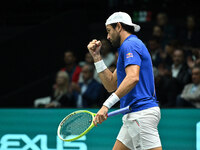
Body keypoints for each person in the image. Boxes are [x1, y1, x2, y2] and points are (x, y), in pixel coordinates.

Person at [87, 12, 162, 150]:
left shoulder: (130, 44)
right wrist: (97, 57)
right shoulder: (126, 49)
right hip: (132, 114)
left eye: (109, 31)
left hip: (140, 114)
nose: (108, 37)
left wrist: (106, 105)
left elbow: (132, 78)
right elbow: (111, 84)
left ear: (119, 27)